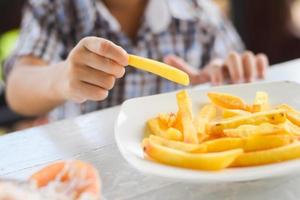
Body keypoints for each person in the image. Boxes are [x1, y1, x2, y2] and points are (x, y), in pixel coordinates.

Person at [3, 0, 268, 121]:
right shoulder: (55, 8)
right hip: (83, 165)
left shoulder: (202, 18)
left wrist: (223, 80)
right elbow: (17, 88)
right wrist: (61, 79)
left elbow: (234, 85)